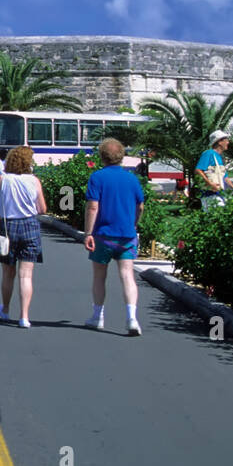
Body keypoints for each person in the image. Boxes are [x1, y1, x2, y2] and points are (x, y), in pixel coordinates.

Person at [83, 138, 146, 337]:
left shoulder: (97, 177)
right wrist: (134, 224)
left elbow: (93, 206)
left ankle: (98, 316)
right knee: (127, 275)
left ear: (102, 156)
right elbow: (140, 206)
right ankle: (132, 318)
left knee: (100, 276)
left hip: (103, 234)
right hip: (126, 235)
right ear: (122, 156)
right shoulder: (132, 178)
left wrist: (88, 233)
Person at [0, 146, 47, 328]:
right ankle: (24, 316)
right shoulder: (34, 181)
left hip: (8, 226)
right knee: (26, 275)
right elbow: (42, 209)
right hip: (30, 225)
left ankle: (6, 309)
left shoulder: (3, 179)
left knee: (8, 273)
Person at [194, 130, 233, 211]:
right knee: (216, 218)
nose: (228, 142)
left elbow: (225, 177)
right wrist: (210, 184)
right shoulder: (208, 153)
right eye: (226, 140)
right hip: (209, 195)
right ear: (219, 142)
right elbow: (198, 170)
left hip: (219, 194)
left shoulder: (219, 157)